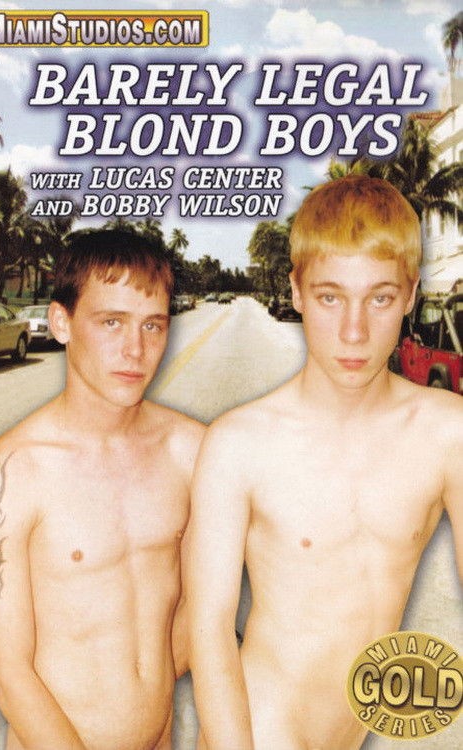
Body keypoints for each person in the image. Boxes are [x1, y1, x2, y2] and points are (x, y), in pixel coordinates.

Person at [186, 176, 463, 750]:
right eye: (330, 297)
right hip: (260, 730)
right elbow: (208, 628)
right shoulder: (238, 443)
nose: (353, 332)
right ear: (296, 291)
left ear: (410, 295)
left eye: (379, 298)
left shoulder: (447, 432)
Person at [0, 230, 204, 750]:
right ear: (61, 323)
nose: (135, 349)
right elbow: (8, 671)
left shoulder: (191, 452)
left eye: (152, 325)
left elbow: (205, 605)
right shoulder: (7, 474)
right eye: (111, 322)